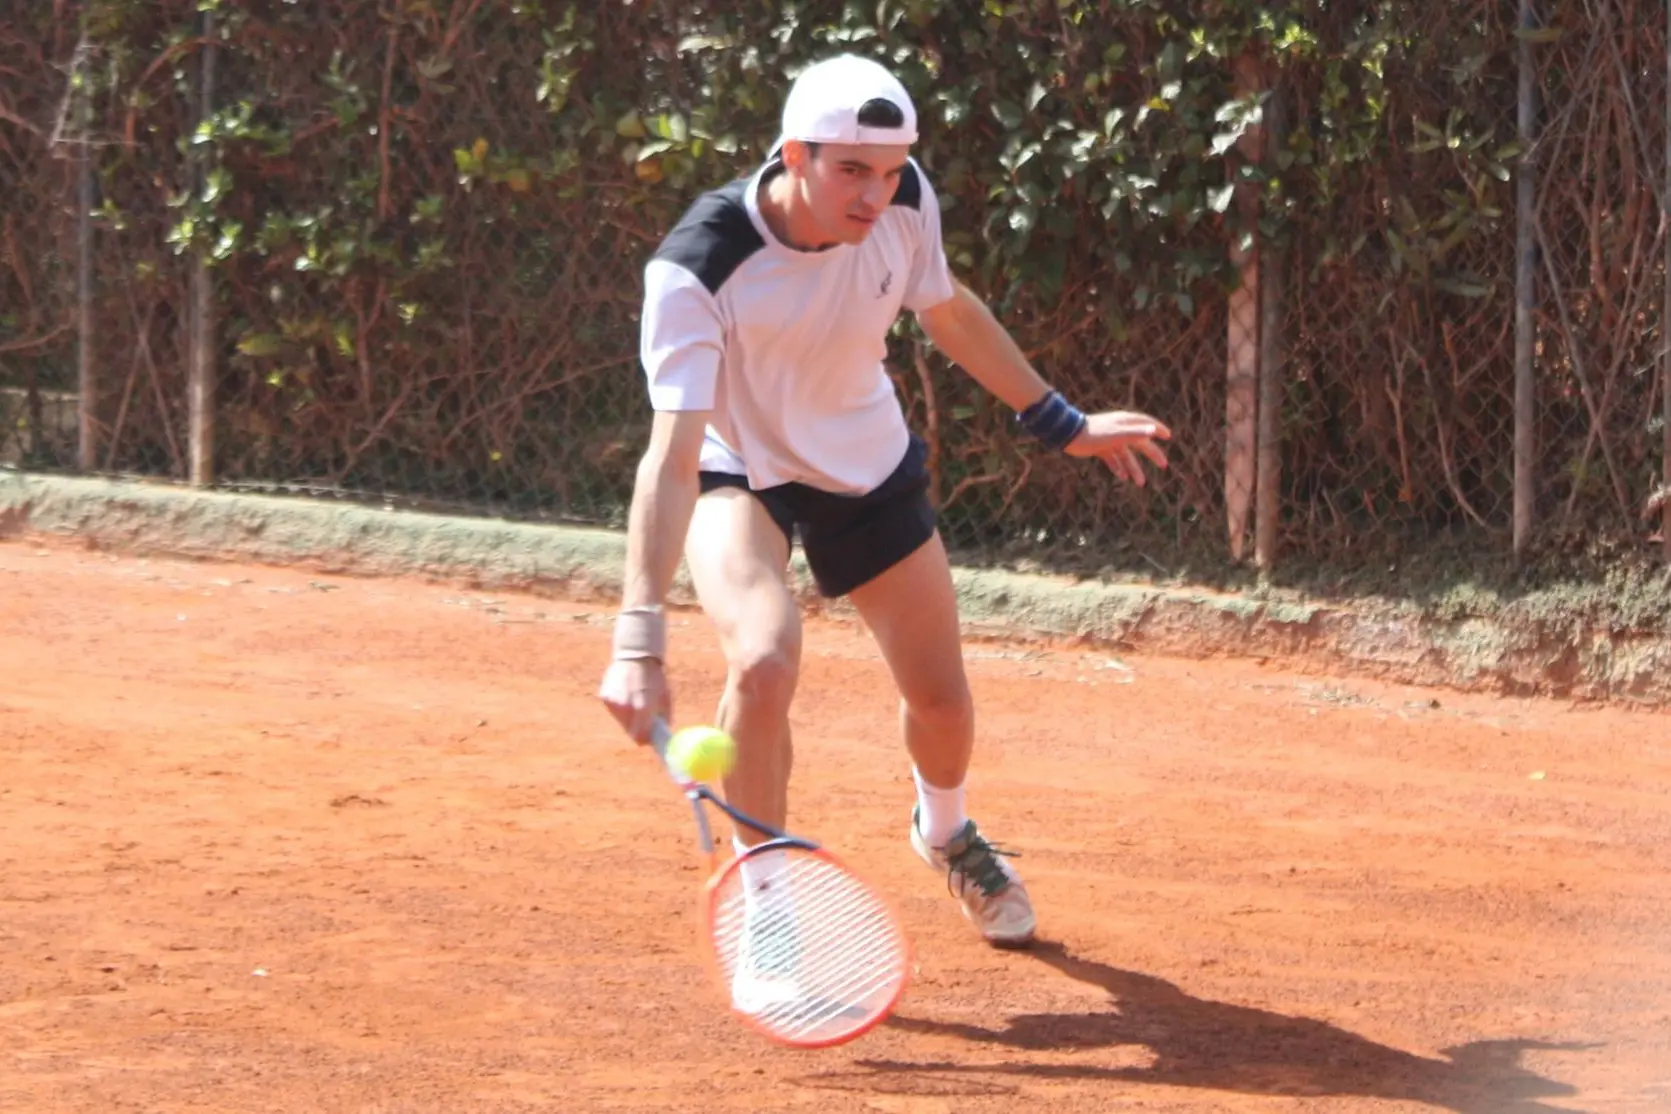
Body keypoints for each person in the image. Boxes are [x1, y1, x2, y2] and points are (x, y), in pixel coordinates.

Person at [598, 54, 1171, 955]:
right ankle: (769, 904)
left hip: (863, 464)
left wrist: (1061, 422)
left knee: (940, 703)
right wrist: (637, 639)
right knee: (762, 658)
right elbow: (670, 460)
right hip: (738, 471)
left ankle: (944, 831)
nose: (877, 193)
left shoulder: (905, 204)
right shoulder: (697, 268)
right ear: (794, 156)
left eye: (893, 168)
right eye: (851, 170)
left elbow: (944, 309)